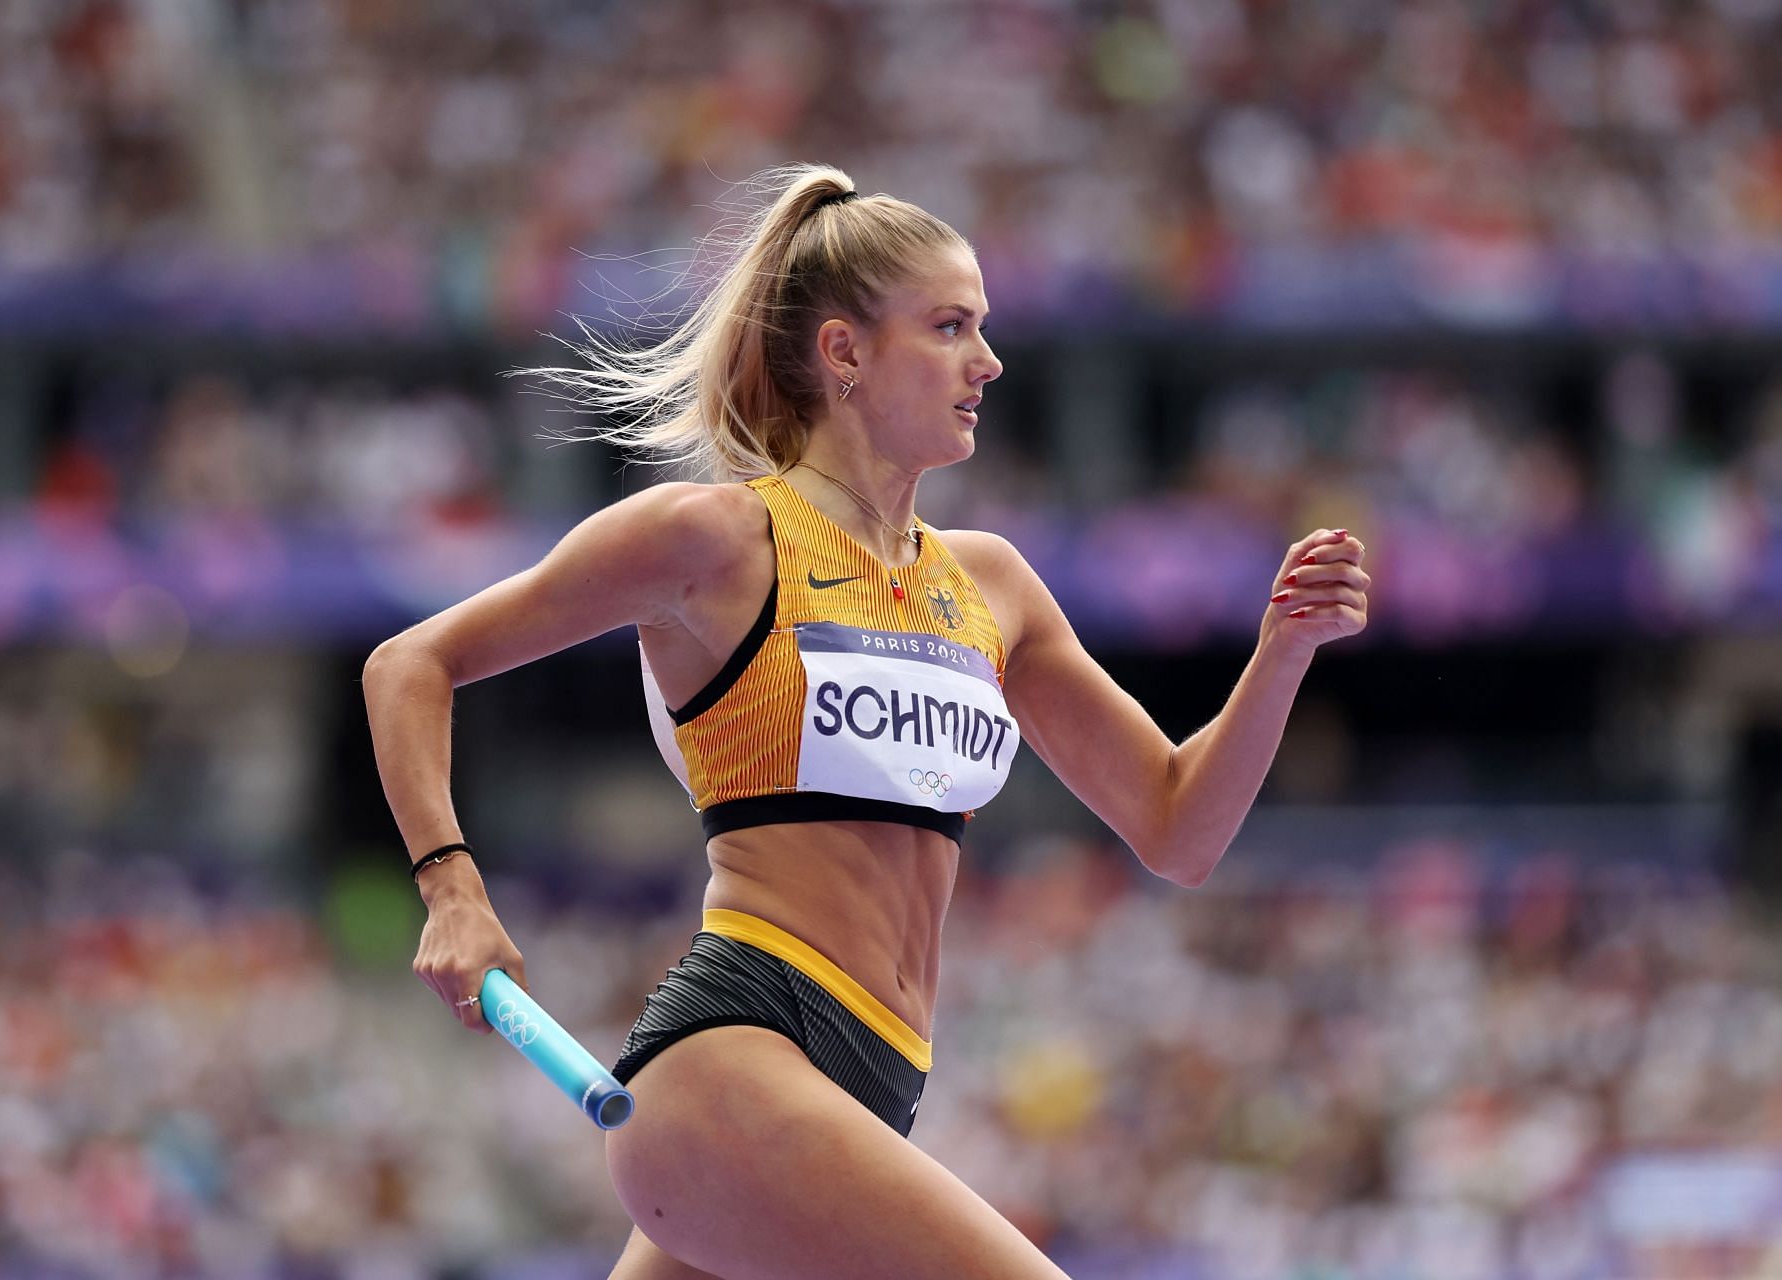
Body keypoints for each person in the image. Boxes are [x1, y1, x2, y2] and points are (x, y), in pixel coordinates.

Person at [362, 163, 1369, 1279]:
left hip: (873, 1084)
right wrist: (451, 887)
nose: (987, 361)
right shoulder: (716, 541)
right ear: (843, 353)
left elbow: (1179, 830)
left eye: (982, 327)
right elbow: (413, 660)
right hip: (738, 1058)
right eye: (949, 327)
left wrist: (1284, 653)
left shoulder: (994, 586)